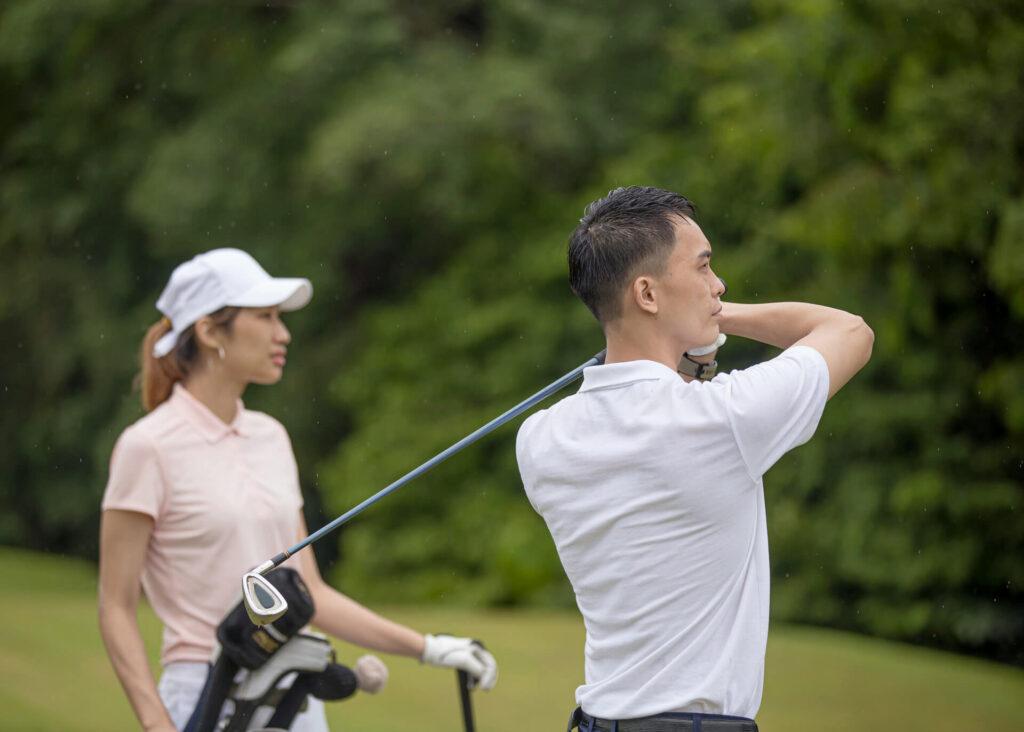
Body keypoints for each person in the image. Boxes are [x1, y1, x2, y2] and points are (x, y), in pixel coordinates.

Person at [515, 187, 874, 732]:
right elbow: (849, 331)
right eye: (704, 269)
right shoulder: (721, 420)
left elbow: (644, 421)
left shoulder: (539, 439)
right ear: (647, 293)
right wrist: (718, 318)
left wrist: (683, 328)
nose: (718, 285)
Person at [98, 248, 498, 732]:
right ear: (208, 331)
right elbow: (115, 606)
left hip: (295, 696)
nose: (282, 333)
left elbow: (312, 593)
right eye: (265, 317)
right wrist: (156, 725)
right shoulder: (147, 447)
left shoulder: (271, 436)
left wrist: (429, 647)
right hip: (204, 697)